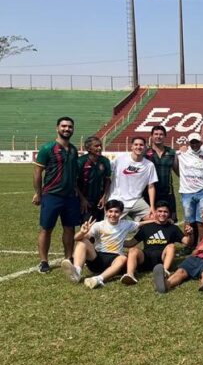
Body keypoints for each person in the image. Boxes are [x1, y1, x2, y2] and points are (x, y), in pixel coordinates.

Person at [33, 117, 86, 272]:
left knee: (69, 228)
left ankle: (68, 258)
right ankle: (43, 261)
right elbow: (37, 172)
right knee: (46, 228)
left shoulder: (74, 150)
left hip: (70, 197)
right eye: (63, 126)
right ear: (57, 128)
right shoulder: (47, 148)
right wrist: (38, 193)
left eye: (70, 127)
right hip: (52, 195)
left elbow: (74, 175)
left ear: (73, 129)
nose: (66, 129)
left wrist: (80, 196)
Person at [61, 199, 151, 289]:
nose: (113, 214)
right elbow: (76, 238)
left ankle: (98, 279)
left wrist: (158, 220)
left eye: (116, 212)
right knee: (82, 241)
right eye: (110, 211)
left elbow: (141, 223)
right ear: (106, 212)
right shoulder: (98, 225)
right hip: (98, 258)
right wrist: (82, 232)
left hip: (115, 259)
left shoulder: (126, 224)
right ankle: (77, 271)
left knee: (123, 258)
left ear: (121, 213)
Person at [121, 201, 191, 285]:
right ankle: (130, 275)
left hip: (163, 258)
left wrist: (190, 234)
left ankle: (164, 272)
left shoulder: (173, 228)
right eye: (160, 211)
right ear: (155, 212)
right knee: (133, 250)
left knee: (171, 246)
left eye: (165, 212)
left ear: (169, 214)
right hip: (146, 258)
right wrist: (114, 240)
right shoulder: (146, 227)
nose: (162, 214)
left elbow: (187, 242)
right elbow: (130, 244)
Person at [177, 132, 203, 244]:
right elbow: (174, 163)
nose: (195, 144)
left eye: (197, 142)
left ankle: (201, 245)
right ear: (189, 143)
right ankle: (188, 244)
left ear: (201, 142)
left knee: (202, 220)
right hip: (187, 192)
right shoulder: (181, 154)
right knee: (188, 220)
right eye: (192, 142)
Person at [108, 136, 158, 221]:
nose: (138, 147)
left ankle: (139, 231)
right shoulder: (120, 159)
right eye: (136, 144)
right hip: (117, 200)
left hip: (137, 201)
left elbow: (151, 186)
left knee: (154, 219)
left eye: (141, 145)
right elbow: (106, 174)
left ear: (145, 147)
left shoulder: (149, 165)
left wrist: (152, 207)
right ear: (131, 146)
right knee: (111, 229)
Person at [145, 125, 179, 221]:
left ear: (164, 136)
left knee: (170, 220)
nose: (158, 136)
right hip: (149, 192)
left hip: (167, 192)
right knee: (150, 220)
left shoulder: (171, 152)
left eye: (161, 134)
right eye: (156, 134)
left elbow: (178, 171)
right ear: (151, 136)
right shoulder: (145, 152)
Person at [76, 135, 112, 223]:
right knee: (87, 227)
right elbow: (74, 183)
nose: (100, 148)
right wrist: (82, 199)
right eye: (96, 146)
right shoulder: (80, 161)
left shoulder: (105, 161)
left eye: (100, 146)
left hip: (99, 200)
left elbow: (107, 180)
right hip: (85, 200)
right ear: (88, 148)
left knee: (98, 227)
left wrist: (104, 197)